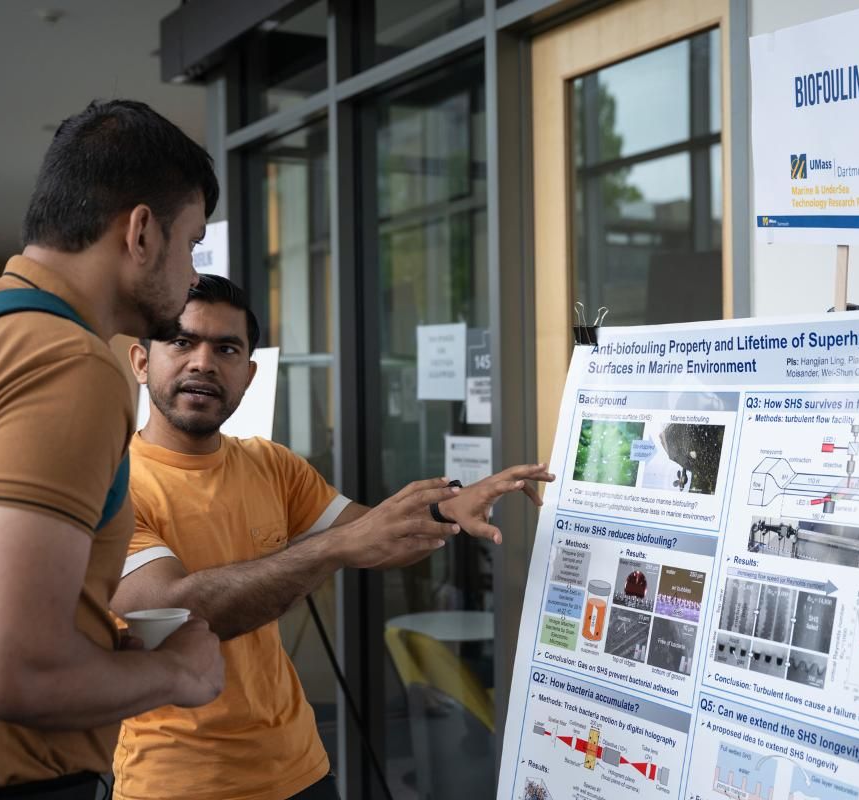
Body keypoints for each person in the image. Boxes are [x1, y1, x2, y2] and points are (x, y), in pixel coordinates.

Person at [0, 100, 229, 799]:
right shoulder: (67, 364)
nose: (194, 274)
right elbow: (8, 672)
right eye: (191, 242)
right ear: (139, 231)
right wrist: (180, 673)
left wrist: (88, 643)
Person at [111, 274, 555, 800]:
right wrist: (333, 549)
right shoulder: (113, 485)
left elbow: (374, 535)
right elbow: (175, 610)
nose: (203, 362)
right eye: (182, 341)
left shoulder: (268, 463)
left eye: (225, 348)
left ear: (248, 375)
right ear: (142, 361)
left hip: (301, 768)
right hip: (178, 782)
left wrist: (448, 505)